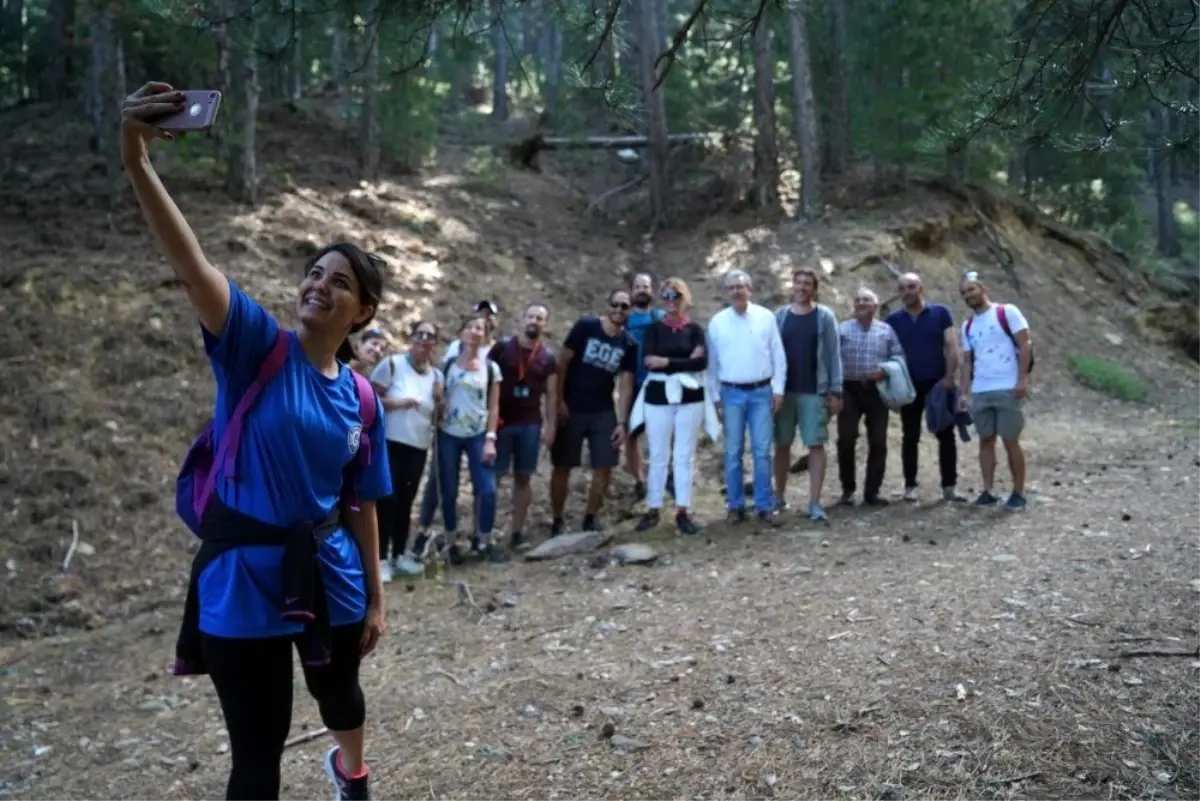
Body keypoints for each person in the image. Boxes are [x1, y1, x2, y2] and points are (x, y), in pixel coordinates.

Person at [121, 82, 389, 801]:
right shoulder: (253, 348)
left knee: (342, 699)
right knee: (256, 755)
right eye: (314, 273)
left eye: (340, 282)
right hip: (242, 581)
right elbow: (192, 263)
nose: (319, 285)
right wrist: (137, 159)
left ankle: (351, 772)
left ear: (362, 311)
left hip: (330, 568)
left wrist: (376, 596)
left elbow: (360, 501)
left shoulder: (362, 397)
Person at [550, 290, 637, 534]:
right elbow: (562, 361)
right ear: (608, 306)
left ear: (629, 311)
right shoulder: (586, 327)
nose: (619, 310)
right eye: (615, 304)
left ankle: (591, 517)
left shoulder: (629, 344)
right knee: (563, 465)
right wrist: (559, 401)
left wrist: (622, 421)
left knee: (604, 464)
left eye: (625, 306)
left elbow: (626, 384)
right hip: (573, 406)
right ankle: (557, 519)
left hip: (603, 410)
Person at [631, 278, 713, 534]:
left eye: (675, 295)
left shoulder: (695, 330)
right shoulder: (654, 329)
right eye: (666, 295)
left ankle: (682, 509)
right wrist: (682, 361)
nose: (670, 300)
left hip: (690, 397)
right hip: (658, 396)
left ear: (684, 298)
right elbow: (648, 361)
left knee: (684, 455)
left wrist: (667, 362)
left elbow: (700, 364)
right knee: (658, 454)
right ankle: (653, 507)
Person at [706, 269, 787, 526]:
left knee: (762, 451)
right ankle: (735, 505)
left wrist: (779, 390)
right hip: (730, 393)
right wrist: (715, 397)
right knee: (733, 452)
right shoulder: (717, 322)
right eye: (731, 287)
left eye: (740, 286)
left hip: (762, 392)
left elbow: (778, 355)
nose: (736, 291)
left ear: (750, 290)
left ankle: (764, 505)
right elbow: (712, 364)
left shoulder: (766, 317)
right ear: (727, 292)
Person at [370, 321, 442, 581]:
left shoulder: (437, 376)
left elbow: (439, 414)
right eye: (419, 334)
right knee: (386, 499)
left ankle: (400, 554)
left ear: (434, 343)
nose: (424, 339)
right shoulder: (392, 365)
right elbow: (369, 399)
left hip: (418, 445)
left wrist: (440, 398)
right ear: (411, 338)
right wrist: (400, 403)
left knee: (405, 501)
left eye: (430, 336)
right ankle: (379, 559)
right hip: (390, 441)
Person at [771, 268, 843, 523]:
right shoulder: (779, 316)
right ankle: (778, 496)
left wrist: (836, 390)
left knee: (815, 445)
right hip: (784, 392)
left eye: (807, 284)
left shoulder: (824, 317)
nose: (802, 287)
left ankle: (814, 502)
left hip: (815, 391)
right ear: (792, 286)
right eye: (798, 282)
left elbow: (834, 355)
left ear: (814, 289)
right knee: (781, 444)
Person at [885, 272, 964, 502]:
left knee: (945, 434)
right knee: (910, 436)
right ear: (898, 293)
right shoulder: (893, 321)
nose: (907, 292)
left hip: (937, 384)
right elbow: (887, 353)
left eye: (912, 287)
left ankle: (949, 486)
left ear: (921, 288)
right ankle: (910, 486)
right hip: (908, 387)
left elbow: (951, 344)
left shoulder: (940, 313)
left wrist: (950, 376)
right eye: (902, 289)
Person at [958, 272, 1031, 511]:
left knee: (1011, 441)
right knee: (985, 441)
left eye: (972, 289)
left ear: (983, 289)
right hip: (981, 389)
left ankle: (1018, 492)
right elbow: (967, 361)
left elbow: (1024, 344)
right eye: (965, 292)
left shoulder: (1006, 312)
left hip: (1007, 387)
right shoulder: (967, 326)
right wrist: (965, 392)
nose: (969, 295)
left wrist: (1021, 380)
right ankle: (988, 491)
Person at [488, 302, 558, 550]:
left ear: (545, 325)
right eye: (531, 316)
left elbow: (551, 395)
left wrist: (551, 426)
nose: (534, 322)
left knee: (523, 478)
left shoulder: (548, 358)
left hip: (530, 423)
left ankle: (516, 532)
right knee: (492, 478)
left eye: (539, 318)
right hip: (501, 422)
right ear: (521, 319)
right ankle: (483, 531)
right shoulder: (502, 349)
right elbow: (485, 381)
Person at [436, 313, 503, 560]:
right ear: (461, 332)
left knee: (487, 490)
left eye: (480, 329)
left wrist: (491, 437)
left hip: (478, 434)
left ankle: (483, 541)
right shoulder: (448, 365)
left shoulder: (491, 368)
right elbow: (440, 401)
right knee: (449, 490)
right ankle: (451, 542)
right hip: (448, 434)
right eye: (470, 327)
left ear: (485, 337)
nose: (475, 332)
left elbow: (494, 406)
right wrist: (438, 399)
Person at [836, 288, 905, 507]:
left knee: (878, 441)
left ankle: (872, 493)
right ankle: (847, 490)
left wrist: (885, 370)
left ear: (875, 305)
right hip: (848, 388)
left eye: (866, 299)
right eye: (857, 300)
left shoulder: (886, 330)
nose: (861, 303)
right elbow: (830, 358)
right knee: (846, 439)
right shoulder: (842, 329)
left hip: (877, 390)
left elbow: (899, 356)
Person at [624, 272, 666, 498]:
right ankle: (639, 481)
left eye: (646, 286)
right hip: (632, 383)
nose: (642, 290)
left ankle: (662, 475)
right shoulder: (625, 319)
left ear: (652, 291)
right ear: (632, 291)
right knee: (632, 433)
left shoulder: (659, 317)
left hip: (657, 382)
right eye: (638, 286)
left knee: (661, 431)